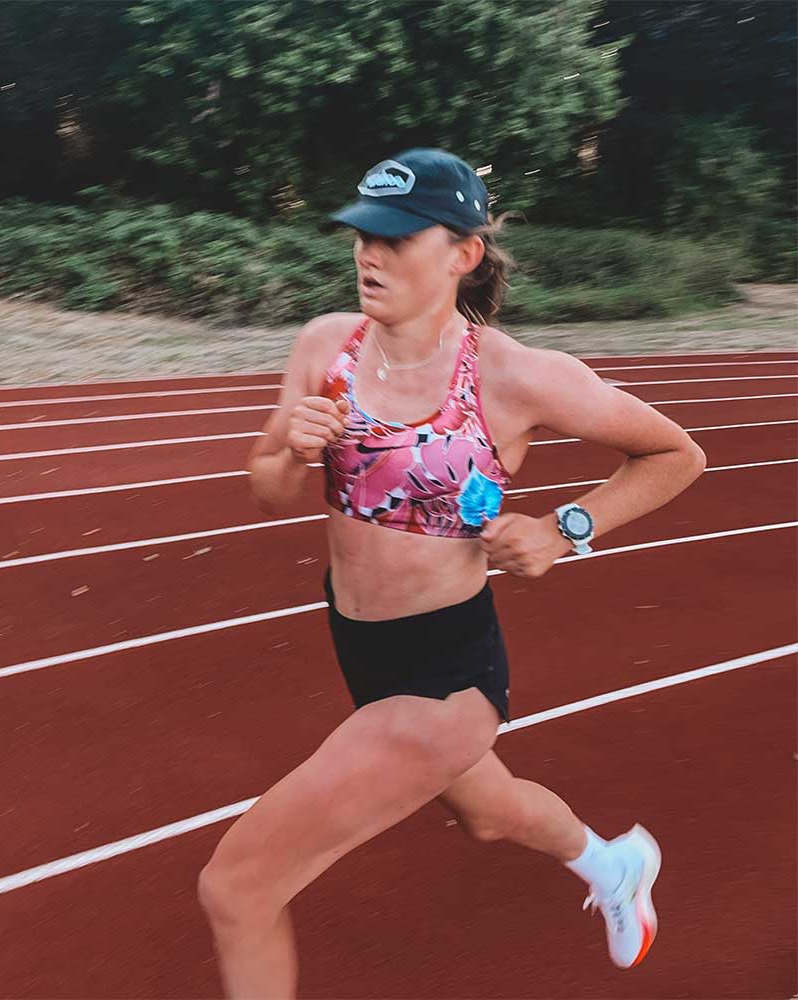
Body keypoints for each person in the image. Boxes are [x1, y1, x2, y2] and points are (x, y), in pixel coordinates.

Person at [197, 148, 706, 997]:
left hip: (447, 675)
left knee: (236, 888)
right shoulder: (326, 344)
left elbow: (676, 452)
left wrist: (563, 529)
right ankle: (612, 864)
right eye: (362, 235)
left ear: (464, 254)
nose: (369, 254)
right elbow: (265, 489)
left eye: (397, 238)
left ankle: (608, 863)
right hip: (358, 642)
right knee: (488, 812)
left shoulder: (515, 375)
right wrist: (295, 451)